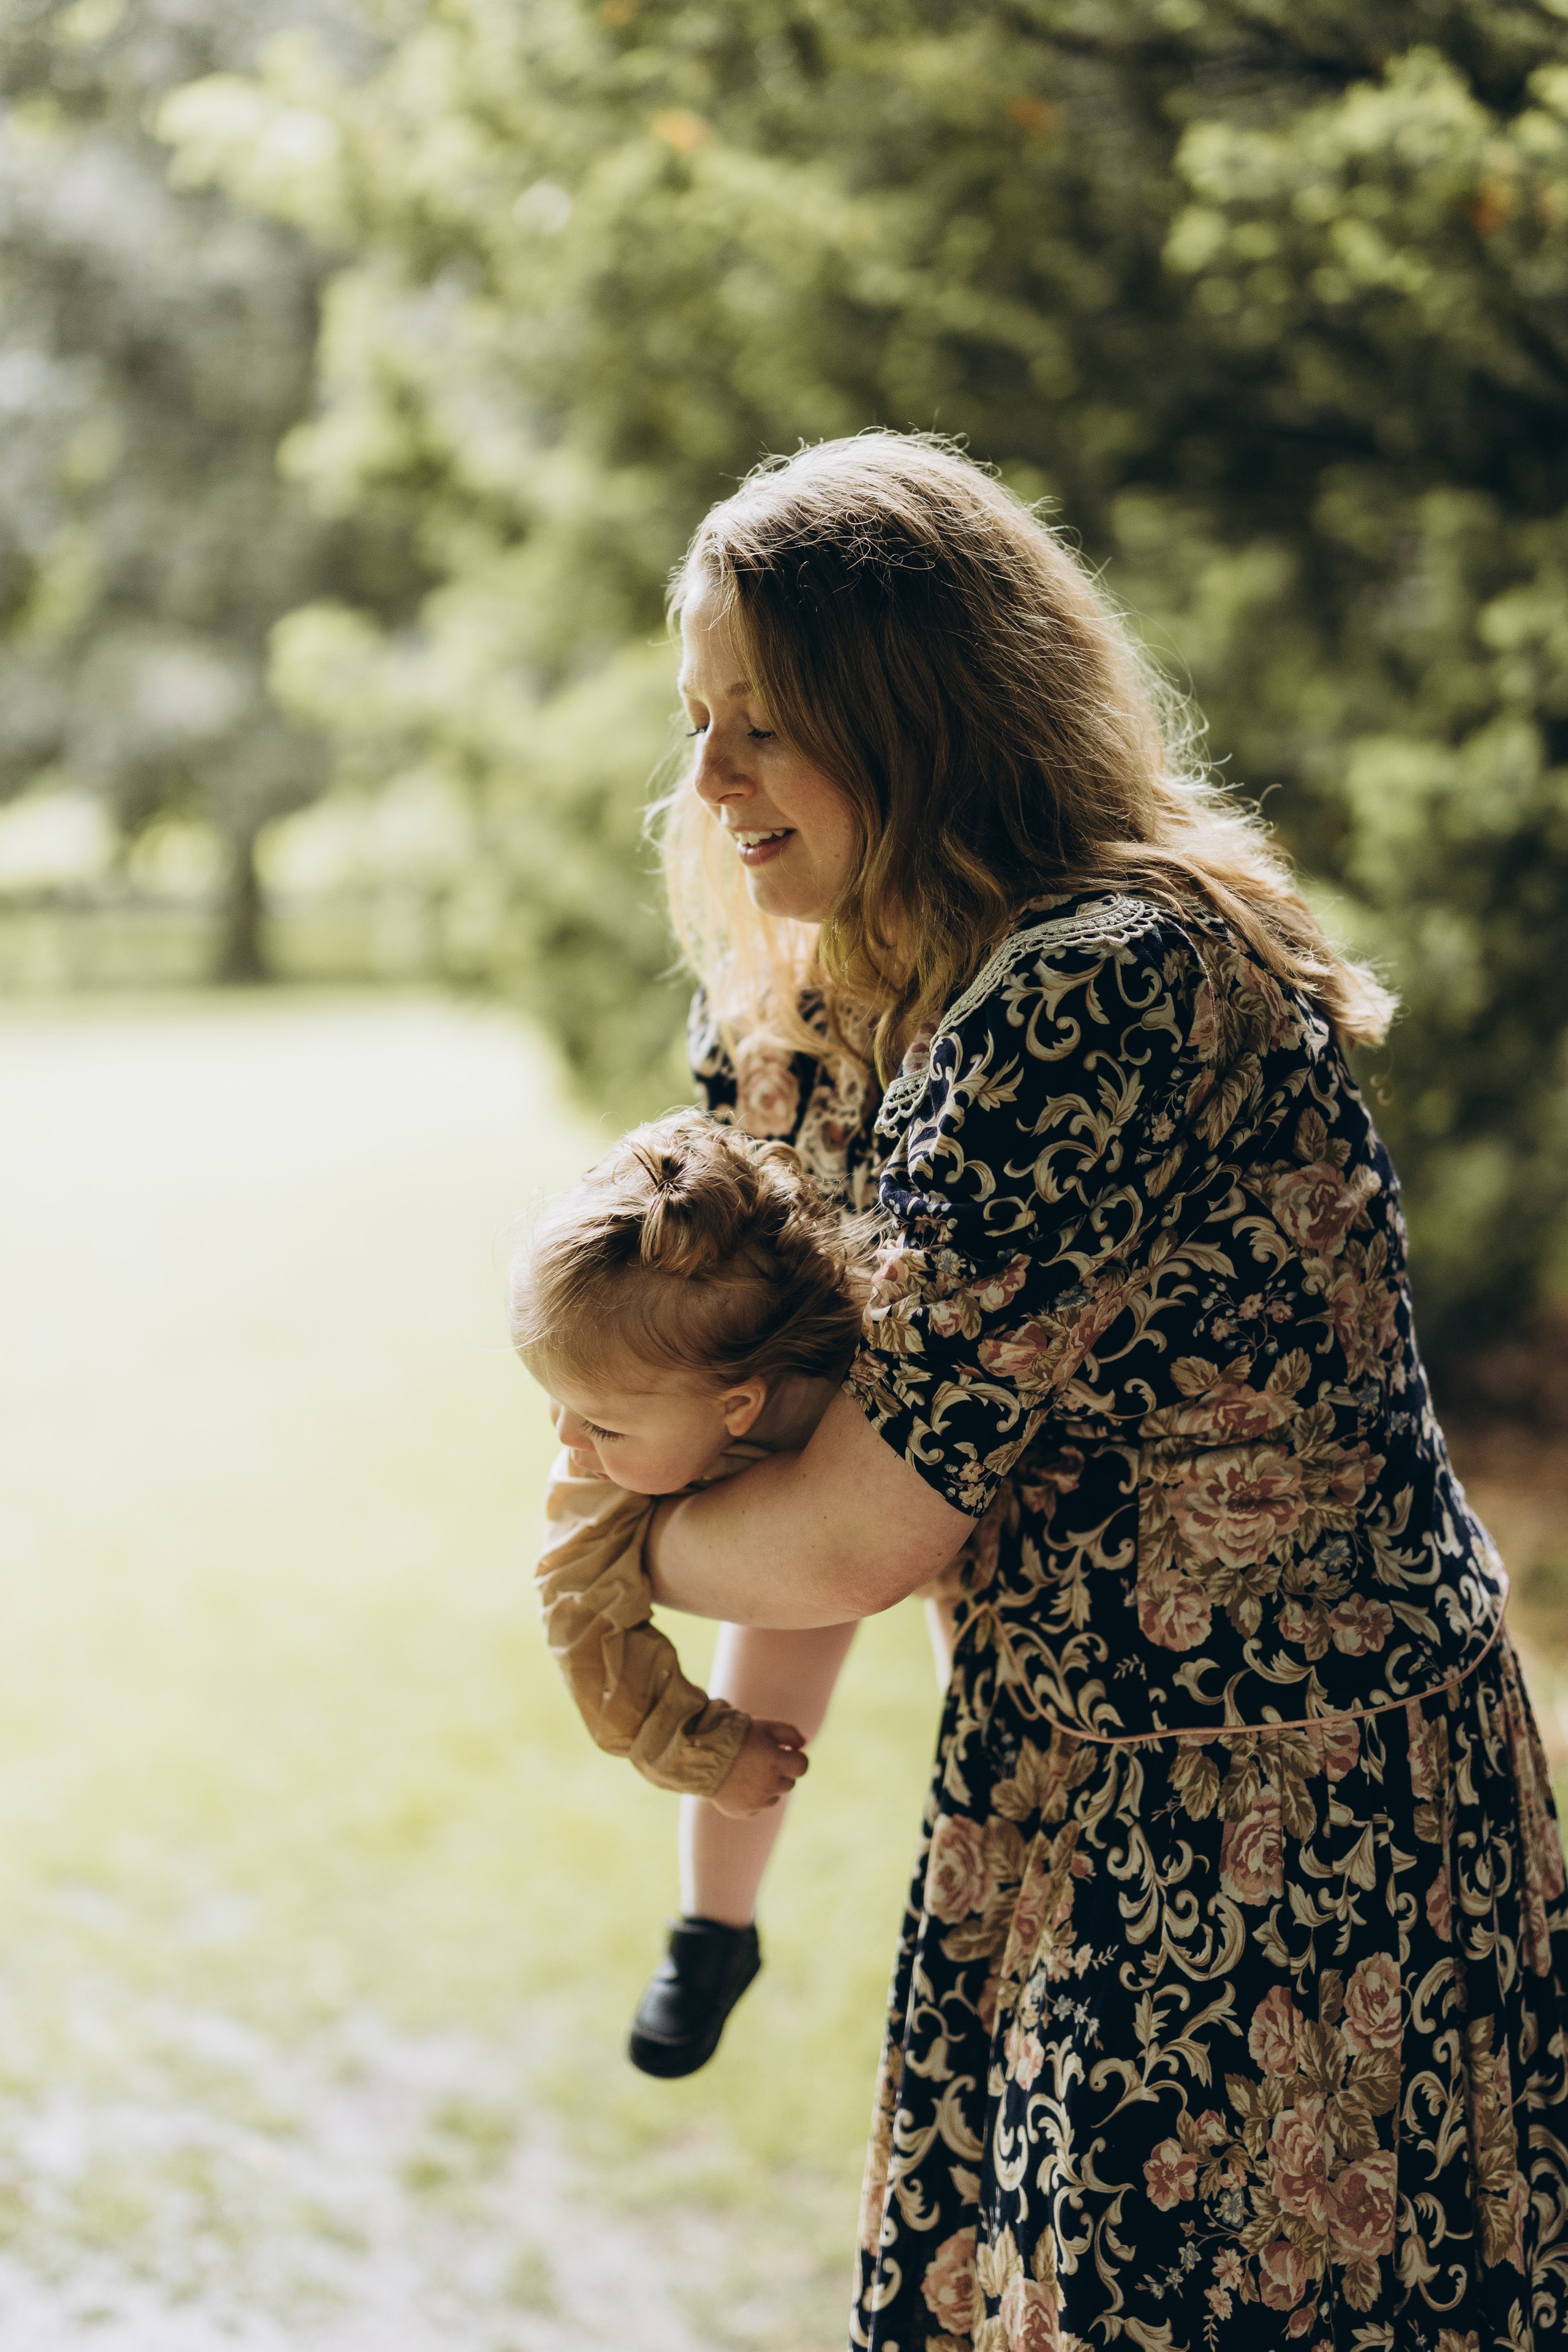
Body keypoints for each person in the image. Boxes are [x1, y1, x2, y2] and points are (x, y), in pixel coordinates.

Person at [639, 430, 1568, 2349]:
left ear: (916, 713)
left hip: (1294, 1820)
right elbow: (820, 1469)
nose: (710, 777)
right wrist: (715, 1900)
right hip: (1074, 1784)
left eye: (765, 721)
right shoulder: (832, 1019)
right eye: (699, 718)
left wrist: (606, 1547)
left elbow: (870, 1524)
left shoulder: (1107, 985)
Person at [513, 1107, 960, 2077]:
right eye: (558, 1402)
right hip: (778, 1536)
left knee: (988, 1694)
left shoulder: (852, 1339)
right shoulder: (600, 1467)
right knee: (777, 1658)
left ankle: (991, 1853)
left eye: (598, 1422)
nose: (565, 1440)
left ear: (740, 1406)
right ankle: (713, 1929)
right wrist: (707, 1753)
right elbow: (580, 1618)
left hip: (932, 1513)